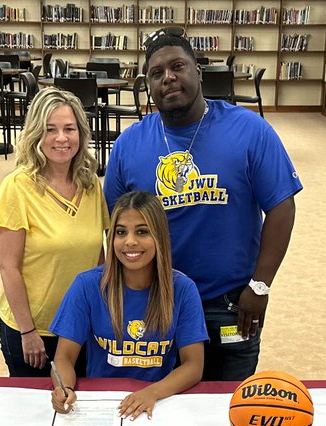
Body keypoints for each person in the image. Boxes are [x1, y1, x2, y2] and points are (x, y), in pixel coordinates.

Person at [104, 32, 301, 382]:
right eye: (156, 72)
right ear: (147, 84)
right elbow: (115, 225)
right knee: (160, 405)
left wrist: (260, 285)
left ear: (198, 71)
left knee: (226, 405)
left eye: (177, 66)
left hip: (232, 303)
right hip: (156, 299)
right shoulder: (129, 144)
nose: (168, 77)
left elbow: (282, 206)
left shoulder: (250, 130)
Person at [49, 191, 207, 419]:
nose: (130, 241)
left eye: (142, 232)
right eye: (121, 232)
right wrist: (64, 389)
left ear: (159, 237)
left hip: (159, 402)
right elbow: (64, 357)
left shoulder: (183, 289)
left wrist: (151, 393)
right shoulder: (86, 285)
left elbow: (193, 366)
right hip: (101, 404)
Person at [0, 87, 108, 377]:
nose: (61, 138)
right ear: (35, 135)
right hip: (33, 331)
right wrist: (28, 332)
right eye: (50, 129)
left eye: (69, 129)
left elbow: (99, 257)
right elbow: (9, 268)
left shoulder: (91, 184)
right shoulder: (17, 187)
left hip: (81, 326)